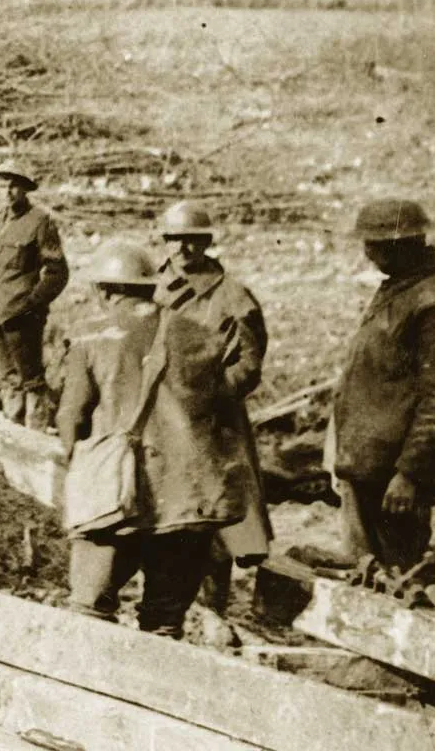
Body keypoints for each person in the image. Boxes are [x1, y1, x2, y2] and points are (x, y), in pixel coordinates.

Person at [56, 242, 253, 638]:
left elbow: (71, 419)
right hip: (187, 501)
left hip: (116, 500)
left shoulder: (90, 340)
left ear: (106, 291)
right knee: (164, 623)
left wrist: (75, 462)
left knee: (88, 613)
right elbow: (224, 408)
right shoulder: (203, 336)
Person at [329, 199, 435, 580]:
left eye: (375, 244)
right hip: (369, 463)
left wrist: (410, 474)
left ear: (403, 245)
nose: (367, 252)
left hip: (395, 475)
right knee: (368, 577)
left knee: (401, 579)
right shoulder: (400, 289)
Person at [155, 201, 271, 618]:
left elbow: (249, 365)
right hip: (159, 417)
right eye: (174, 239)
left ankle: (212, 609)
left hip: (211, 421)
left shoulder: (232, 296)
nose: (182, 248)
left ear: (206, 243)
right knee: (165, 512)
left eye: (192, 240)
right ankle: (168, 608)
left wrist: (212, 393)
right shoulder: (153, 286)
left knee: (216, 519)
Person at [0, 159, 68, 429]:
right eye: (2, 186)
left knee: (31, 380)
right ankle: (12, 430)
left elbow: (58, 272)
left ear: (25, 189)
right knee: (9, 379)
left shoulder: (39, 222)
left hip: (22, 317)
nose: (7, 192)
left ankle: (35, 434)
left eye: (13, 187)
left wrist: (32, 305)